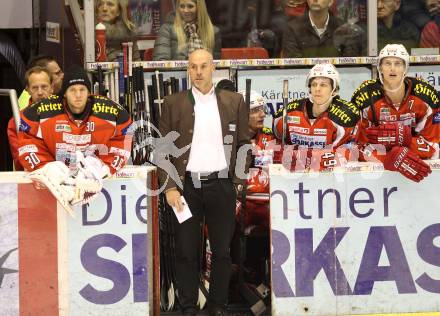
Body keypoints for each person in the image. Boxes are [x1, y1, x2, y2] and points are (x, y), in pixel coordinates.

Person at [158, 49, 250, 316]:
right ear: (188, 70)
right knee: (186, 249)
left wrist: (238, 182)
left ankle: (217, 305)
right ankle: (188, 307)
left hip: (222, 185)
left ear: (213, 68)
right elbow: (162, 150)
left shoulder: (234, 101)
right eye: (193, 67)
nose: (198, 72)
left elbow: (244, 143)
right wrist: (170, 186)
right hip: (186, 187)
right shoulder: (173, 103)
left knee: (222, 250)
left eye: (203, 66)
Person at [17, 66, 132, 207]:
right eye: (72, 90)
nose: (78, 95)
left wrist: (102, 166)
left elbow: (124, 137)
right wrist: (46, 167)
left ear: (89, 92)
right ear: (64, 93)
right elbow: (26, 140)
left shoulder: (112, 112)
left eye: (82, 90)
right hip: (51, 191)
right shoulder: (40, 111)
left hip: (96, 191)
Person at [351, 44, 438, 182]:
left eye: (398, 63)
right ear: (380, 67)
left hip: (417, 168)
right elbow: (357, 147)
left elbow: (434, 145)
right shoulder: (364, 97)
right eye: (387, 63)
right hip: (376, 176)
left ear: (405, 68)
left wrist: (406, 142)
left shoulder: (426, 95)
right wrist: (388, 158)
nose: (392, 68)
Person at [272, 63, 360, 171]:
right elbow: (277, 146)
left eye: (323, 85)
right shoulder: (287, 113)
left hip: (328, 178)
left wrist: (316, 166)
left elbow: (343, 155)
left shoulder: (345, 117)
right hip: (293, 175)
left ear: (335, 89)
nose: (317, 89)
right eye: (314, 84)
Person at [7, 66, 54, 170]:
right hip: (31, 175)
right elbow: (20, 160)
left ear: (52, 88)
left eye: (44, 87)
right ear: (27, 89)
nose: (40, 92)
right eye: (35, 88)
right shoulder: (16, 121)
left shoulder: (65, 113)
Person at [153, 0, 221, 61]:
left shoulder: (213, 31)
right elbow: (160, 62)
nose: (185, 10)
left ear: (199, 8)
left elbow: (215, 65)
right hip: (176, 74)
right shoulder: (166, 30)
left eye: (190, 6)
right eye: (182, 6)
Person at [281, 0, 351, 58]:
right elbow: (293, 67)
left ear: (331, 1)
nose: (315, 0)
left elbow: (350, 67)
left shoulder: (344, 29)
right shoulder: (292, 28)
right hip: (303, 74)